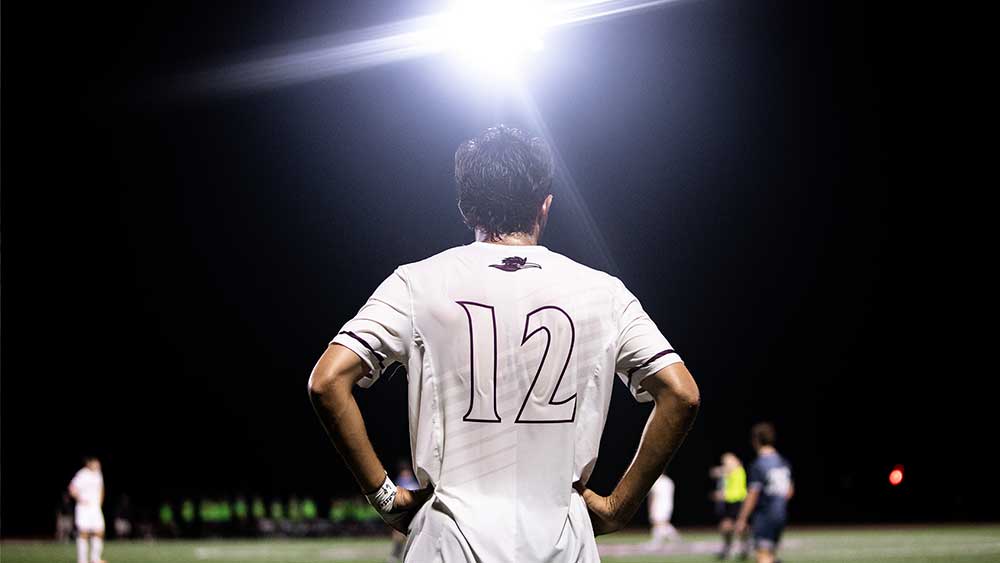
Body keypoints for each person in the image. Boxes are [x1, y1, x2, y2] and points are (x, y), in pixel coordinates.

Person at [308, 125, 700, 562]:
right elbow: (681, 394)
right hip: (562, 540)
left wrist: (383, 496)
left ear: (464, 208)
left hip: (449, 540)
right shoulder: (603, 292)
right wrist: (619, 507)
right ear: (545, 206)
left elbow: (326, 382)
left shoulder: (416, 283)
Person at [735, 423, 793, 563]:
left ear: (756, 440)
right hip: (780, 514)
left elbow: (753, 495)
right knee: (770, 555)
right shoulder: (782, 461)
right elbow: (789, 491)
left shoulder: (759, 464)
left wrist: (742, 519)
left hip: (765, 516)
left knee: (762, 556)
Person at [68, 457, 106, 563]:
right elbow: (71, 488)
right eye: (95, 462)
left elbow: (101, 488)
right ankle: (82, 560)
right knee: (84, 532)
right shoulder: (82, 474)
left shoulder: (98, 473)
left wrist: (99, 503)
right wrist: (80, 499)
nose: (97, 464)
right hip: (84, 508)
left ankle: (95, 559)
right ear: (89, 463)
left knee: (99, 531)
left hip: (95, 508)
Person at [714, 452, 748, 560]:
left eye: (728, 461)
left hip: (738, 502)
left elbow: (737, 491)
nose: (726, 464)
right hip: (729, 503)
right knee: (725, 527)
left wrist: (723, 495)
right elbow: (717, 472)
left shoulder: (738, 471)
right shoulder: (729, 473)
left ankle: (744, 548)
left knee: (739, 526)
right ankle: (729, 548)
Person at [647, 472, 680, 546]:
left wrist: (651, 507)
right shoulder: (669, 481)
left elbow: (652, 496)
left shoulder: (656, 482)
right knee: (662, 523)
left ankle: (658, 540)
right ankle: (674, 539)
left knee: (659, 523)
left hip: (659, 504)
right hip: (668, 504)